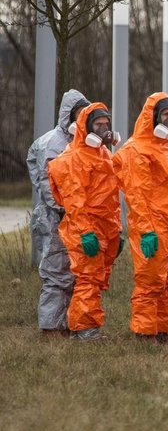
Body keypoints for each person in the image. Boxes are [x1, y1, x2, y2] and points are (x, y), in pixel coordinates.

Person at [113, 92, 168, 343]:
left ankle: (164, 331)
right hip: (151, 224)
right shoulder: (136, 150)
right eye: (165, 114)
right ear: (153, 117)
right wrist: (146, 230)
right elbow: (136, 193)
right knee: (150, 280)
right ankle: (144, 333)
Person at [47, 103, 122, 340]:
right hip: (85, 228)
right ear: (86, 128)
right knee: (88, 278)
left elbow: (112, 198)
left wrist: (116, 232)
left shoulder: (104, 155)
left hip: (104, 227)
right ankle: (83, 328)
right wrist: (85, 232)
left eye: (106, 124)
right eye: (98, 125)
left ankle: (87, 325)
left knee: (96, 279)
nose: (104, 129)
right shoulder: (73, 159)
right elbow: (74, 201)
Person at [26, 89, 89, 337]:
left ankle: (66, 323)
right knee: (56, 272)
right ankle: (51, 328)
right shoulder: (53, 142)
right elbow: (47, 182)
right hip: (55, 218)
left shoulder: (76, 141)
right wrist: (64, 209)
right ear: (68, 116)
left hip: (69, 216)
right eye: (79, 114)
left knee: (71, 272)